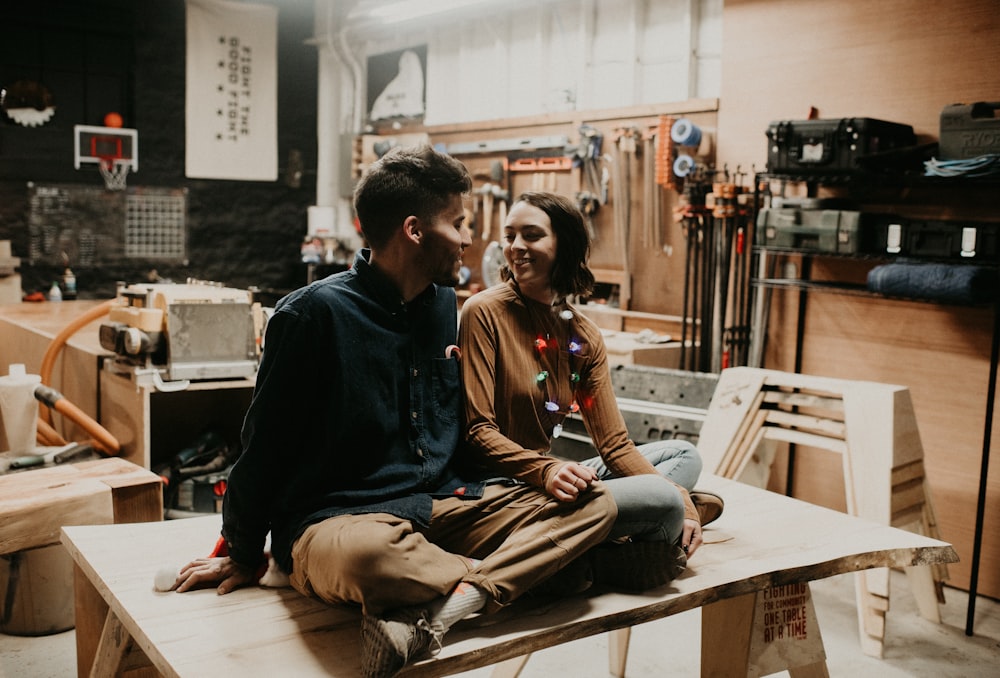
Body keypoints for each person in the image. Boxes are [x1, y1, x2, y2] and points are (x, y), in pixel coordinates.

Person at [169, 148, 618, 678]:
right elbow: (263, 447)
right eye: (459, 222)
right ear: (414, 230)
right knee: (372, 559)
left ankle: (463, 595)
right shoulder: (311, 315)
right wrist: (244, 551)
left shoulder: (440, 306)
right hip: (338, 522)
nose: (471, 238)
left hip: (436, 508)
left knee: (597, 506)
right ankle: (527, 575)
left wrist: (528, 475)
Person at [459, 191, 724, 590]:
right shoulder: (483, 312)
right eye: (509, 236)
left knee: (683, 456)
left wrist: (685, 508)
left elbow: (614, 445)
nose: (515, 248)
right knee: (666, 501)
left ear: (564, 244)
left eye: (531, 235)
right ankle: (606, 546)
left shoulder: (582, 335)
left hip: (555, 480)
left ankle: (604, 528)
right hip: (504, 487)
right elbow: (479, 432)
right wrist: (548, 471)